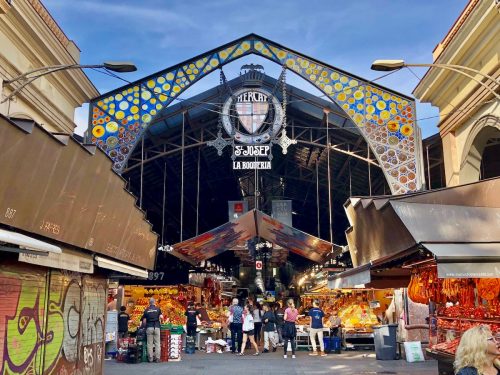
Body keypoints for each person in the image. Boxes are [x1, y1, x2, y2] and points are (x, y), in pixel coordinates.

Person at [141, 297, 163, 363]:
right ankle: (157, 358)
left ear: (149, 303)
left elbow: (144, 321)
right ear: (155, 302)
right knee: (157, 343)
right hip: (156, 327)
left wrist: (144, 326)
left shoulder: (146, 310)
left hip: (149, 327)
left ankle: (150, 359)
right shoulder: (158, 309)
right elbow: (161, 317)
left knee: (149, 343)